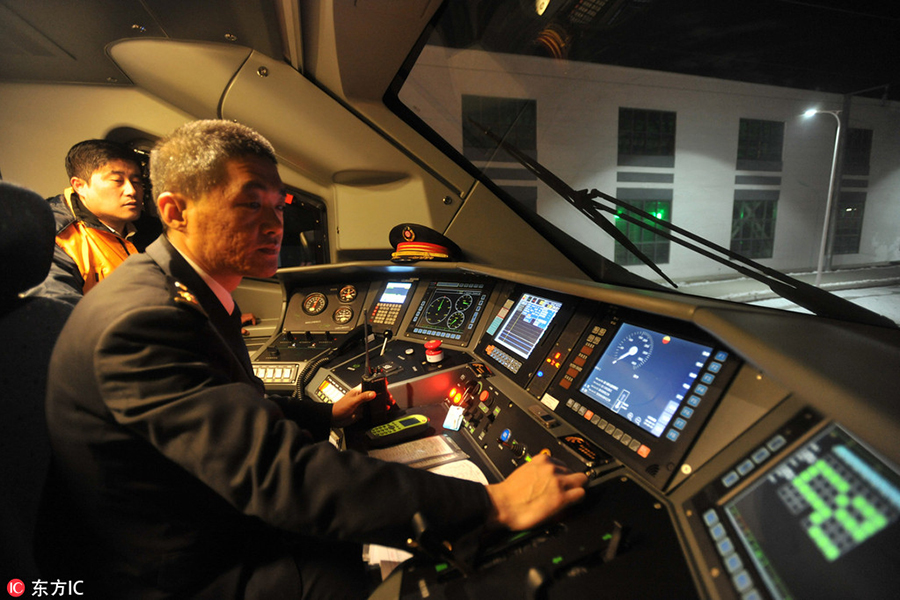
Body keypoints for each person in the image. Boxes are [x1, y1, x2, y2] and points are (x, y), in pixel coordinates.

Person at [38, 119, 588, 599]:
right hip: (186, 573)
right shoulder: (145, 319)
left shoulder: (180, 288)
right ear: (174, 211)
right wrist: (491, 504)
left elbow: (227, 403)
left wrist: (325, 414)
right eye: (250, 203)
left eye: (279, 206)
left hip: (198, 522)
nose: (275, 224)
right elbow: (281, 475)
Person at [25, 139, 145, 305]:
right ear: (79, 186)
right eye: (117, 181)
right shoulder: (52, 236)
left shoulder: (152, 228)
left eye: (136, 182)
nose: (131, 190)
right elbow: (58, 309)